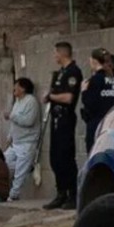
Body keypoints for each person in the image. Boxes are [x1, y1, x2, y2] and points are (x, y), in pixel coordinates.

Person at [43, 41, 82, 210]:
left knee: (66, 158)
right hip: (55, 118)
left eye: (56, 53)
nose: (54, 56)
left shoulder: (73, 72)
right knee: (55, 158)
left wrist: (51, 97)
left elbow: (68, 98)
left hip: (66, 119)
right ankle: (61, 193)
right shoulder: (60, 73)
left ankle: (73, 195)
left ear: (62, 53)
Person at [2, 77, 41, 202]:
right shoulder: (18, 101)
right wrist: (10, 137)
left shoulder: (31, 101)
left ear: (23, 88)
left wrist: (12, 116)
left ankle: (13, 195)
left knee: (19, 173)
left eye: (16, 86)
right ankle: (29, 167)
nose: (14, 88)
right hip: (16, 142)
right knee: (3, 162)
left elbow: (29, 121)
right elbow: (14, 124)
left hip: (27, 142)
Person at [80, 48, 114, 152]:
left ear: (94, 61)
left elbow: (89, 103)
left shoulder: (94, 81)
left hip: (97, 125)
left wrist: (84, 91)